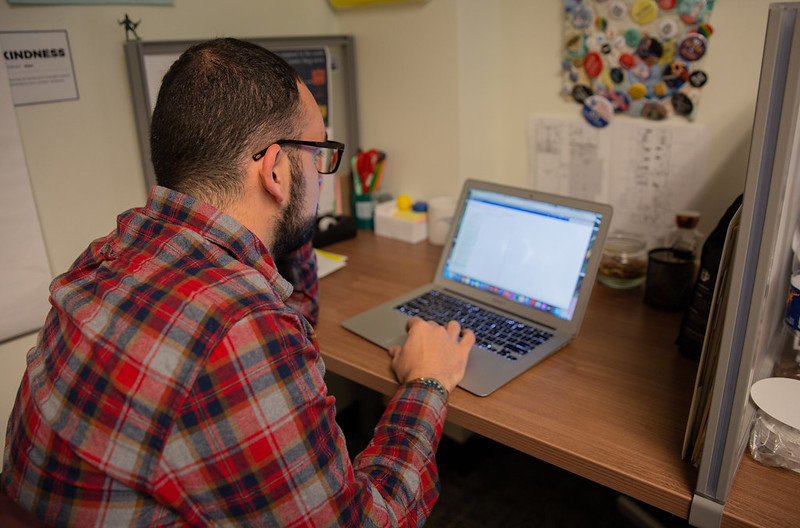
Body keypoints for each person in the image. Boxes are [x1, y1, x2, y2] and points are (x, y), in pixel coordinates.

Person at [1, 38, 473, 527]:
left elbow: (296, 320)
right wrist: (427, 382)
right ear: (274, 170)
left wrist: (289, 220)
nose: (321, 174)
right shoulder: (240, 329)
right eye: (316, 157)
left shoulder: (110, 256)